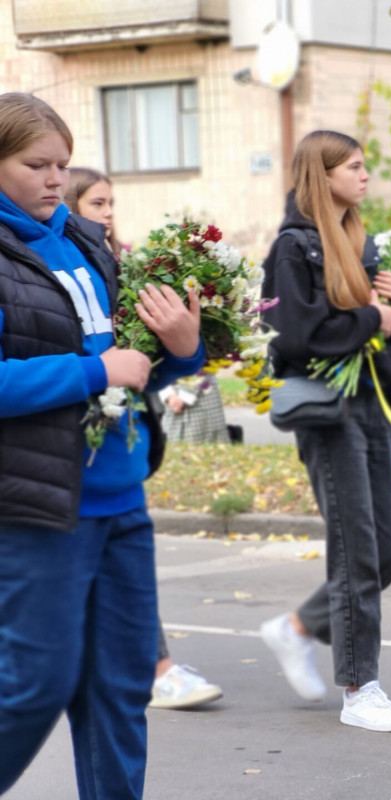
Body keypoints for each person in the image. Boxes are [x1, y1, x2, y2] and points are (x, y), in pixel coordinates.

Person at [0, 93, 204, 797]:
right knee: (34, 687)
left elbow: (133, 360)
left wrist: (183, 348)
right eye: (36, 165)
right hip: (37, 504)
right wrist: (93, 369)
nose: (56, 179)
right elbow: (92, 366)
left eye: (62, 163)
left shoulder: (86, 240)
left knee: (119, 689)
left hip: (121, 494)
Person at [258, 130, 391, 732]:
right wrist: (367, 317)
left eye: (364, 165)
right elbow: (296, 334)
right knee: (356, 551)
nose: (364, 177)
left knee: (387, 551)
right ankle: (361, 688)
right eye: (353, 167)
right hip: (326, 413)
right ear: (320, 174)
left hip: (372, 403)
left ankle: (297, 627)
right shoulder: (293, 247)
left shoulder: (360, 240)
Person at [64, 165, 225, 710]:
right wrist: (98, 372)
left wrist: (188, 348)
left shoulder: (116, 267)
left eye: (112, 203)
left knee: (115, 616)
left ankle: (153, 668)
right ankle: (157, 668)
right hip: (63, 469)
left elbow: (146, 366)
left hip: (120, 460)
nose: (108, 214)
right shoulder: (50, 267)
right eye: (97, 204)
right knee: (44, 670)